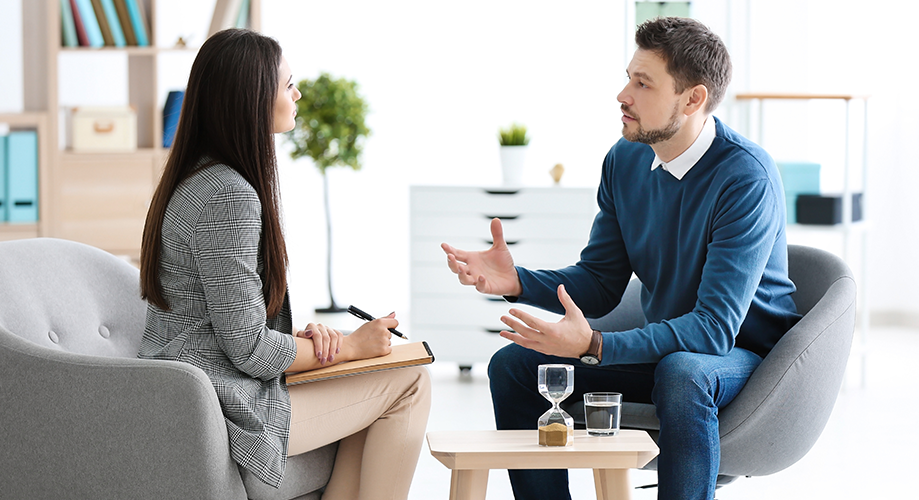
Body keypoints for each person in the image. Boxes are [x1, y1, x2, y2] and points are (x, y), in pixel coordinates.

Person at [441, 17, 801, 500]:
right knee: (513, 366)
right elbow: (600, 282)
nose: (622, 94)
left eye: (642, 82)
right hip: (669, 345)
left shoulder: (745, 177)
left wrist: (594, 344)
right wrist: (516, 280)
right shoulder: (625, 159)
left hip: (742, 355)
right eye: (628, 77)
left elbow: (714, 330)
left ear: (692, 99)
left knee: (683, 372)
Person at [138, 29, 430, 500]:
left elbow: (225, 320)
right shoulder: (227, 194)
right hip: (219, 402)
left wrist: (302, 342)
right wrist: (352, 347)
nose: (297, 94)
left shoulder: (197, 177)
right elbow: (249, 350)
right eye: (288, 84)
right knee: (411, 379)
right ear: (252, 99)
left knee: (372, 380)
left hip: (202, 387)